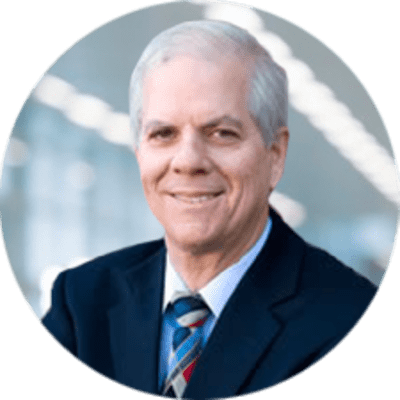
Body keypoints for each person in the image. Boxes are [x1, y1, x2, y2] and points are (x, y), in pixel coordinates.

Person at [41, 20, 378, 399]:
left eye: (221, 133)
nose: (188, 161)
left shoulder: (352, 322)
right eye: (163, 134)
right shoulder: (81, 303)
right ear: (140, 153)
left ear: (275, 155)